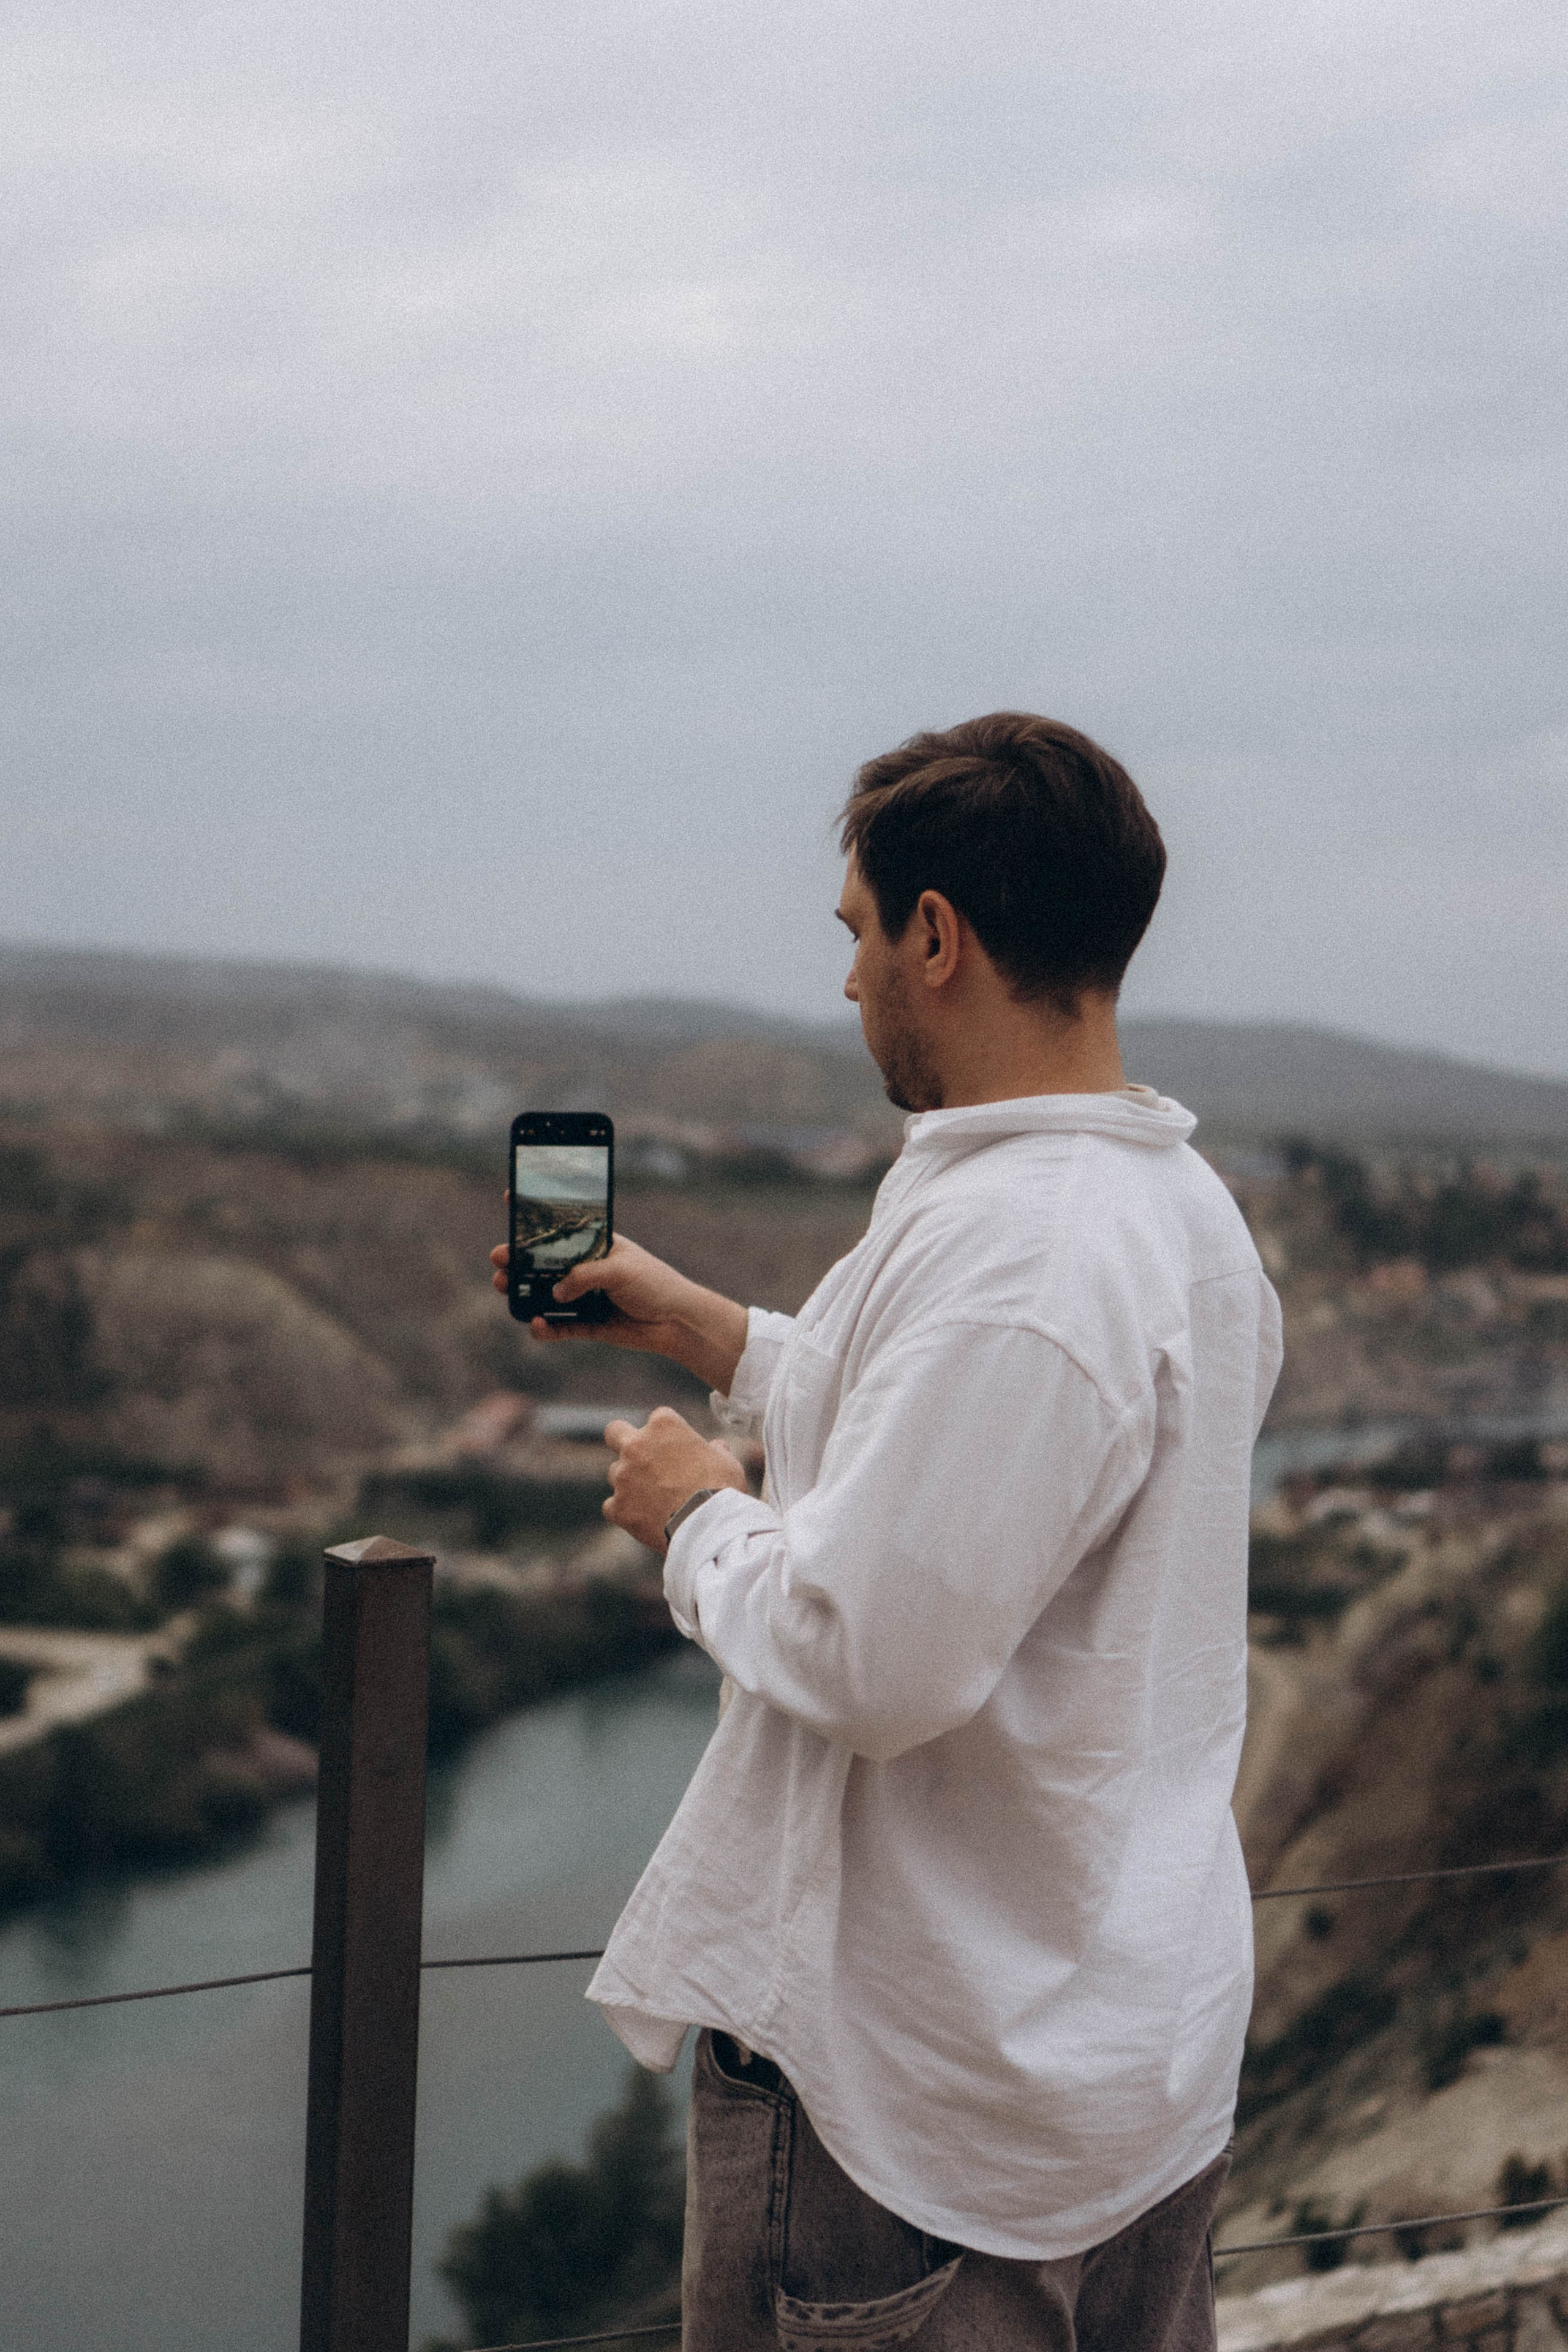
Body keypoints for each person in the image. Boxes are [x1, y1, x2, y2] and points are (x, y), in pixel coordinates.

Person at [491, 711, 1282, 2351]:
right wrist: (710, 1330)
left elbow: (873, 1658)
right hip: (1118, 2058)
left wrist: (696, 1519)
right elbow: (992, 1454)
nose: (848, 979)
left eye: (857, 932)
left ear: (937, 937)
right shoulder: (1166, 1205)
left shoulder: (1024, 1251)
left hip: (927, 2111)